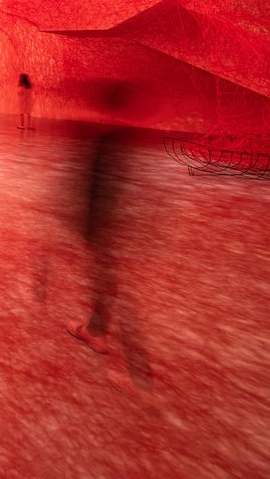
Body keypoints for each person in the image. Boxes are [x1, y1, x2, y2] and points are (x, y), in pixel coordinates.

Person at [66, 80, 152, 397]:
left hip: (110, 230)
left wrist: (90, 230)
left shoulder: (109, 142)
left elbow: (97, 192)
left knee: (122, 295)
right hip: (121, 231)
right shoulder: (129, 139)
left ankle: (141, 382)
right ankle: (96, 330)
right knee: (108, 284)